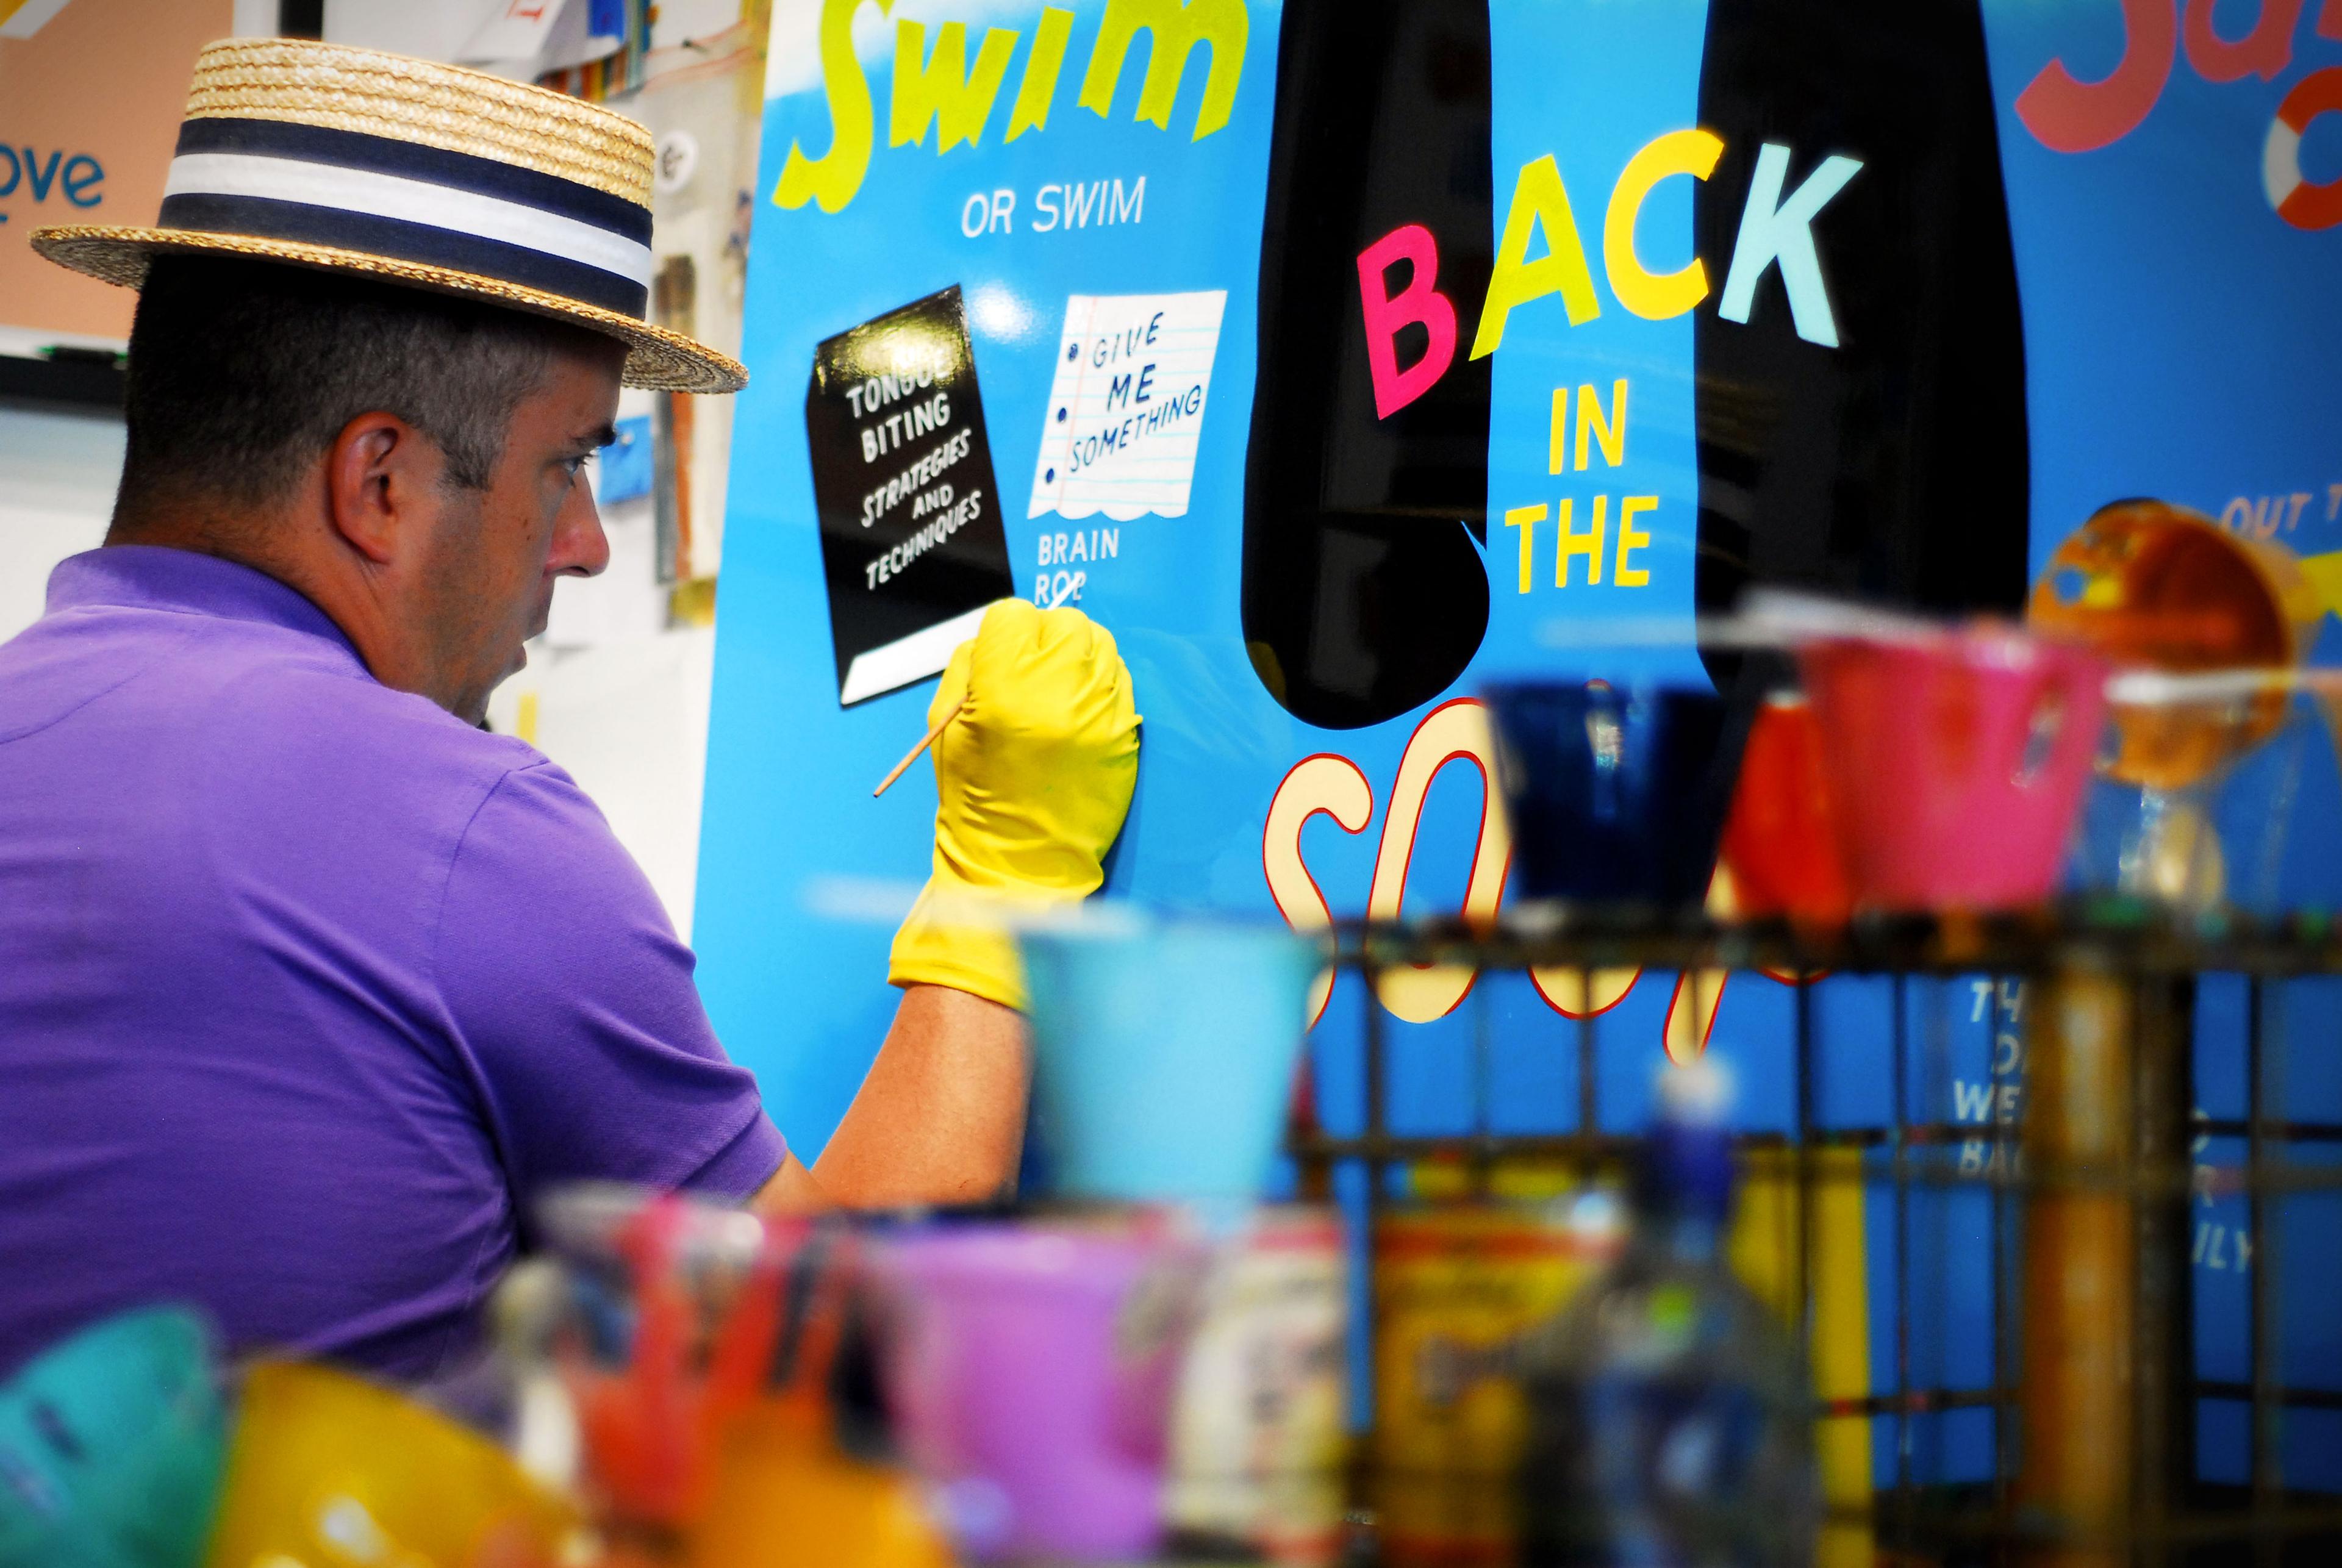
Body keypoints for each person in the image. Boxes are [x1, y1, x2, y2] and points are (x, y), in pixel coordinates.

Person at [0, 40, 1138, 1381]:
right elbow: (841, 1361)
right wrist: (995, 891)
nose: (589, 543)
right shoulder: (456, 827)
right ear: (380, 483)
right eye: (571, 462)